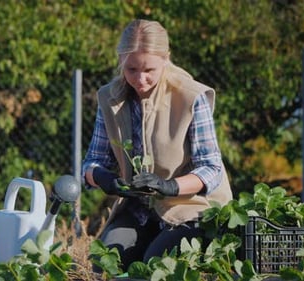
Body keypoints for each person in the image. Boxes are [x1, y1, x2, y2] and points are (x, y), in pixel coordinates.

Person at [82, 19, 233, 271]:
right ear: (121, 61)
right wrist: (101, 177)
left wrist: (169, 186)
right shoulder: (109, 98)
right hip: (139, 209)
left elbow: (211, 169)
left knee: (152, 267)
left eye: (149, 70)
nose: (140, 79)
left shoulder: (191, 96)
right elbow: (91, 163)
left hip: (191, 209)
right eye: (131, 69)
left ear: (166, 58)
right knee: (104, 265)